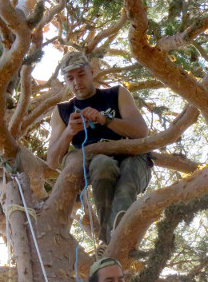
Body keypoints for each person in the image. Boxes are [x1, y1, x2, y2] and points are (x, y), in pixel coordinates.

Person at [47, 51, 153, 247]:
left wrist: (106, 120)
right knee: (101, 163)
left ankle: (117, 234)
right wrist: (69, 132)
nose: (77, 82)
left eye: (81, 74)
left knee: (127, 179)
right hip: (98, 164)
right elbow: (52, 160)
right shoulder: (62, 111)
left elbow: (141, 131)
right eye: (70, 78)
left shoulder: (116, 93)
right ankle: (112, 239)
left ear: (92, 72)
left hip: (133, 157)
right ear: (65, 82)